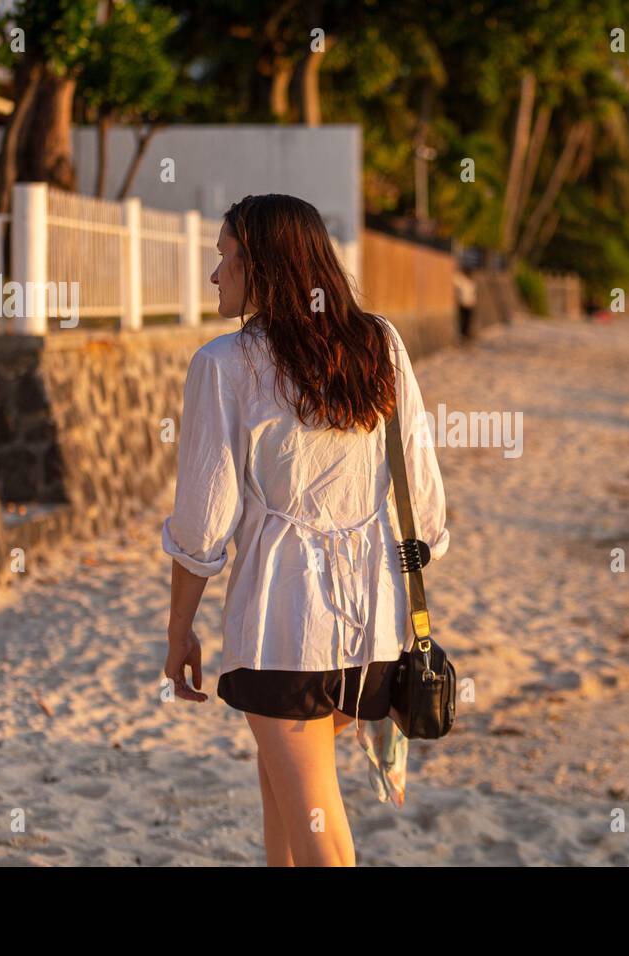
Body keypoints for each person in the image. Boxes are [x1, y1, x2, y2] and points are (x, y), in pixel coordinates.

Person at [160, 194, 450, 866]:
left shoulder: (225, 364)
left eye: (226, 258)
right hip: (373, 628)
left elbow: (203, 527)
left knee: (321, 837)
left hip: (282, 630)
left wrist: (180, 632)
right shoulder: (378, 342)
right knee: (288, 809)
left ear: (263, 268)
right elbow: (424, 501)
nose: (215, 276)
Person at [453, 267, 477, 340]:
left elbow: (474, 293)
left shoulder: (471, 282)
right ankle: (463, 334)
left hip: (470, 304)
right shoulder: (462, 281)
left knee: (468, 320)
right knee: (463, 319)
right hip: (463, 303)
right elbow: (455, 279)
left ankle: (467, 333)